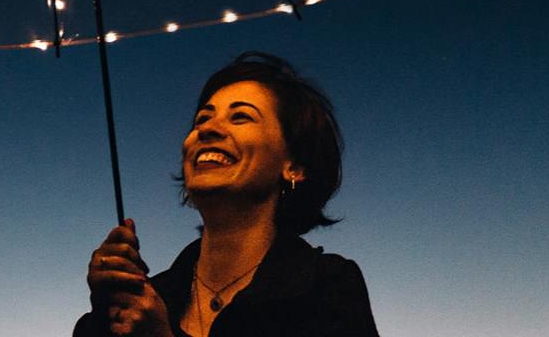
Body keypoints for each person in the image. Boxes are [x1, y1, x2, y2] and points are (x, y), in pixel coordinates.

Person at [74, 52, 379, 337]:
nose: (208, 130)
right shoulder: (143, 304)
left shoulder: (328, 288)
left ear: (294, 167)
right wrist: (102, 319)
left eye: (240, 117)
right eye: (202, 119)